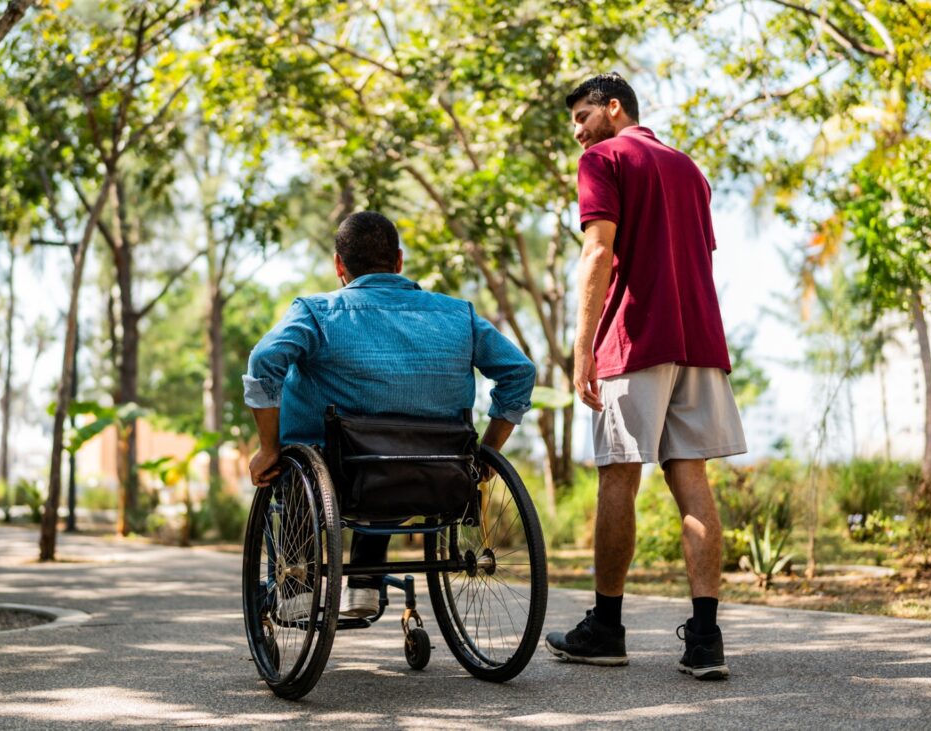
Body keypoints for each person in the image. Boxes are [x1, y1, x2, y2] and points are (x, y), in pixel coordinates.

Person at [544, 73, 746, 680]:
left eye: (583, 116)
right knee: (692, 482)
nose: (578, 132)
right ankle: (705, 640)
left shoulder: (604, 160)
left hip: (635, 341)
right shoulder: (690, 169)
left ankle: (606, 627)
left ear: (614, 108)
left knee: (618, 479)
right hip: (699, 343)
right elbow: (696, 258)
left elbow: (598, 253)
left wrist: (583, 352)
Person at [243, 211, 536, 620]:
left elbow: (265, 361)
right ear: (398, 261)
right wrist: (485, 453)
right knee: (384, 465)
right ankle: (364, 582)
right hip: (438, 469)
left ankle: (296, 588)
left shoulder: (317, 312)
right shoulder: (459, 315)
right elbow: (520, 372)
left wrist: (268, 448)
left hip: (338, 472)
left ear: (338, 265)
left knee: (308, 462)